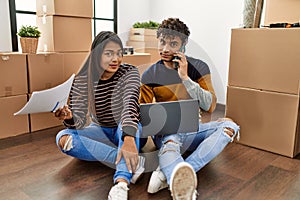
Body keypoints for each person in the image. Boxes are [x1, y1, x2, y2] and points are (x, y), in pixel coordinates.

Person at [139, 18, 240, 200]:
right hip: (167, 132)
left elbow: (210, 105)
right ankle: (184, 188)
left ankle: (167, 174)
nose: (166, 49)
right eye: (162, 42)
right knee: (172, 138)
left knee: (230, 127)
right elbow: (142, 113)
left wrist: (186, 78)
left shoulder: (199, 67)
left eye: (173, 44)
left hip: (193, 130)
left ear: (184, 45)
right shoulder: (149, 75)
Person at [54, 31, 147, 200]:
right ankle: (130, 162)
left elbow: (130, 105)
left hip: (128, 130)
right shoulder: (83, 79)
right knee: (63, 139)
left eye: (119, 53)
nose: (116, 59)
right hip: (101, 130)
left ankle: (121, 183)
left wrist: (127, 138)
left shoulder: (130, 72)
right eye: (109, 53)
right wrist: (69, 117)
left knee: (124, 126)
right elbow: (80, 122)